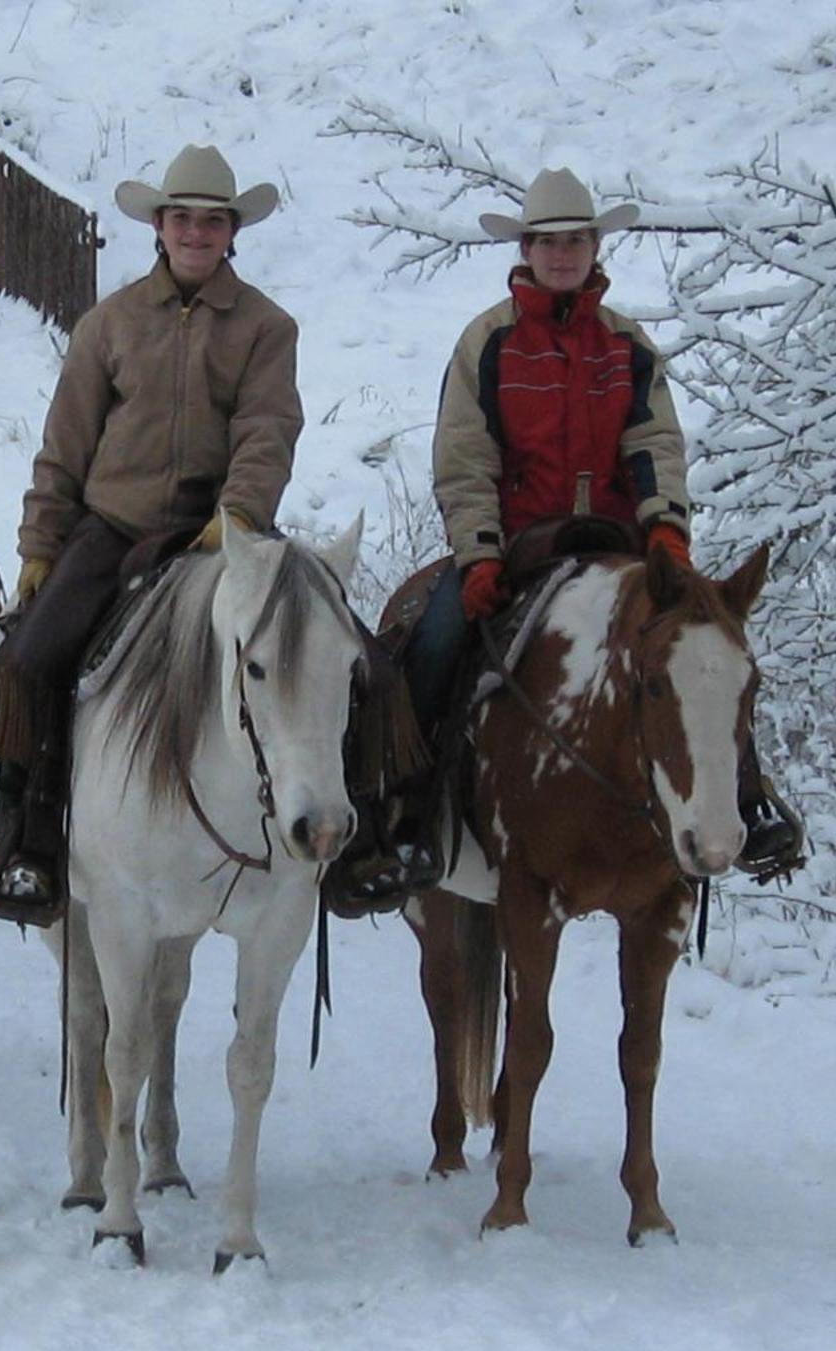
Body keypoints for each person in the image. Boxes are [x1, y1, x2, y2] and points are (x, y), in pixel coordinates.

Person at [327, 167, 802, 913]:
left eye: (576, 239)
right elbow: (466, 454)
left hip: (617, 549)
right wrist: (480, 553)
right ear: (526, 248)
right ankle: (405, 819)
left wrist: (667, 536)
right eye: (549, 241)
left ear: (593, 248)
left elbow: (654, 444)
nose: (563, 253)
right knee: (435, 638)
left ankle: (748, 800)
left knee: (708, 649)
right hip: (519, 545)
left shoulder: (626, 344)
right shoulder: (488, 342)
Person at [0, 144, 304, 925]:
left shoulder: (266, 327)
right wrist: (39, 548)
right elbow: (65, 446)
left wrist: (235, 520)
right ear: (159, 227)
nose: (197, 233)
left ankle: (343, 831)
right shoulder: (110, 323)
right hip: (113, 528)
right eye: (183, 219)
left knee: (331, 650)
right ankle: (27, 843)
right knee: (27, 662)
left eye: (213, 221)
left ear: (232, 232)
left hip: (220, 534)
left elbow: (268, 430)